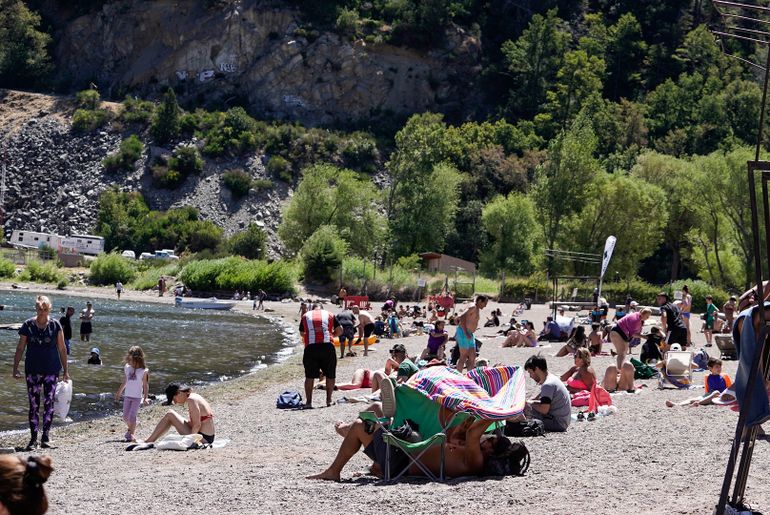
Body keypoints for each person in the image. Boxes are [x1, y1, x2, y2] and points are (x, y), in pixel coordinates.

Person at [12, 295, 69, 451]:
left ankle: (45, 437)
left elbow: (62, 349)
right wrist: (15, 368)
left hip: (51, 369)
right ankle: (32, 439)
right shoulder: (28, 325)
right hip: (32, 370)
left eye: (45, 309)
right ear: (36, 308)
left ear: (49, 309)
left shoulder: (56, 325)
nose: (42, 312)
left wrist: (66, 371)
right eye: (39, 309)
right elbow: (20, 348)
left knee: (49, 402)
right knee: (34, 404)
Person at [141, 383, 215, 445]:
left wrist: (190, 441)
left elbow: (197, 425)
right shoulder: (194, 396)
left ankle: (149, 441)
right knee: (170, 414)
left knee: (170, 415)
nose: (175, 402)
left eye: (174, 399)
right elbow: (200, 422)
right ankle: (150, 440)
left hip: (204, 438)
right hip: (207, 436)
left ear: (179, 393)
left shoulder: (191, 400)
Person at [300, 304, 342, 408]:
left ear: (312, 309)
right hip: (327, 346)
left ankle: (309, 402)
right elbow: (340, 330)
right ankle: (329, 400)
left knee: (309, 376)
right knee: (330, 374)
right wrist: (332, 334)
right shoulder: (330, 314)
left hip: (311, 347)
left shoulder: (305, 315)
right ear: (322, 308)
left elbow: (302, 333)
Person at [603, 307, 652, 393]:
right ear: (643, 314)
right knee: (621, 353)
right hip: (617, 332)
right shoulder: (635, 319)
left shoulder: (638, 318)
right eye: (647, 316)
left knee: (623, 353)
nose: (648, 318)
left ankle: (620, 372)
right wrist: (644, 336)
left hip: (621, 333)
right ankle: (619, 372)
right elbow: (634, 334)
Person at [522, 355, 571, 432]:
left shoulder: (548, 385)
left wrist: (529, 404)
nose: (530, 376)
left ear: (537, 369)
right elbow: (543, 400)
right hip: (563, 421)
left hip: (557, 423)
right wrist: (531, 402)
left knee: (524, 409)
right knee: (528, 404)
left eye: (530, 372)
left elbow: (544, 410)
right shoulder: (552, 378)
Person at [115, 346, 149, 443]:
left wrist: (145, 397)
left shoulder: (143, 371)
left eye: (132, 360)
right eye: (129, 360)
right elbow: (125, 381)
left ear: (138, 360)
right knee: (125, 417)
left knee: (132, 416)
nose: (130, 362)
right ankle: (132, 426)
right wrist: (119, 392)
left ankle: (131, 434)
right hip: (127, 395)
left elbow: (145, 385)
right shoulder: (127, 368)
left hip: (137, 397)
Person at [665, 358, 733, 407]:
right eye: (717, 367)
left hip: (720, 396)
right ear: (710, 368)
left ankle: (698, 403)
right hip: (709, 396)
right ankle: (677, 404)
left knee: (716, 392)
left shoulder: (724, 376)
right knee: (692, 399)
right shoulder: (707, 377)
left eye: (720, 367)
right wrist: (706, 397)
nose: (719, 369)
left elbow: (730, 388)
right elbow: (707, 390)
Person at [454, 295, 488, 373]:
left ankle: (470, 375)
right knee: (463, 356)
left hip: (470, 333)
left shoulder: (476, 308)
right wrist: (466, 333)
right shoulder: (473, 307)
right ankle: (459, 375)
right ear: (480, 301)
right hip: (464, 332)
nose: (485, 305)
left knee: (472, 356)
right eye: (485, 303)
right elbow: (462, 317)